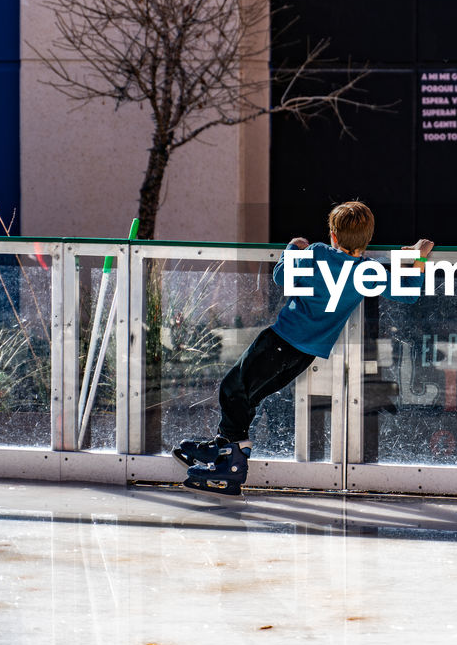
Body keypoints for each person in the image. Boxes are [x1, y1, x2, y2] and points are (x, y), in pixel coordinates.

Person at [173, 201, 433, 496]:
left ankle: (231, 463)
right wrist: (418, 257)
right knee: (250, 394)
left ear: (333, 235)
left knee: (233, 388)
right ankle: (224, 447)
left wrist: (292, 249)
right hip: (305, 354)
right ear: (368, 239)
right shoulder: (367, 271)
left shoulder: (318, 253)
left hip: (281, 339)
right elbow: (409, 292)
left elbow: (282, 278)